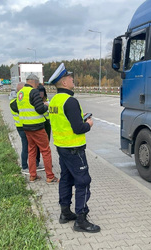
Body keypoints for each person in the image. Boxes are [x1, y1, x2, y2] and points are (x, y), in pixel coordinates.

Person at [48, 63, 100, 233]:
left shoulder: (54, 100)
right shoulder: (70, 101)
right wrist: (89, 124)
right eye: (70, 78)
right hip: (74, 149)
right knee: (83, 181)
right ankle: (81, 220)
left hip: (61, 147)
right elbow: (78, 128)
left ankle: (65, 213)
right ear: (64, 82)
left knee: (65, 179)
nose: (73, 80)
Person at [14, 74, 58, 184]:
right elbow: (40, 109)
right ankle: (50, 177)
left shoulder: (20, 93)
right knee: (45, 150)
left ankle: (32, 175)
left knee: (32, 151)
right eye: (38, 83)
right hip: (37, 126)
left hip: (26, 127)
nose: (38, 85)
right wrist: (46, 105)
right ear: (34, 81)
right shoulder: (33, 92)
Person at [10, 82, 45, 174]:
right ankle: (24, 166)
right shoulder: (15, 101)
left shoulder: (18, 100)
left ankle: (35, 164)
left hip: (26, 125)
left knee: (32, 147)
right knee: (26, 147)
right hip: (22, 126)